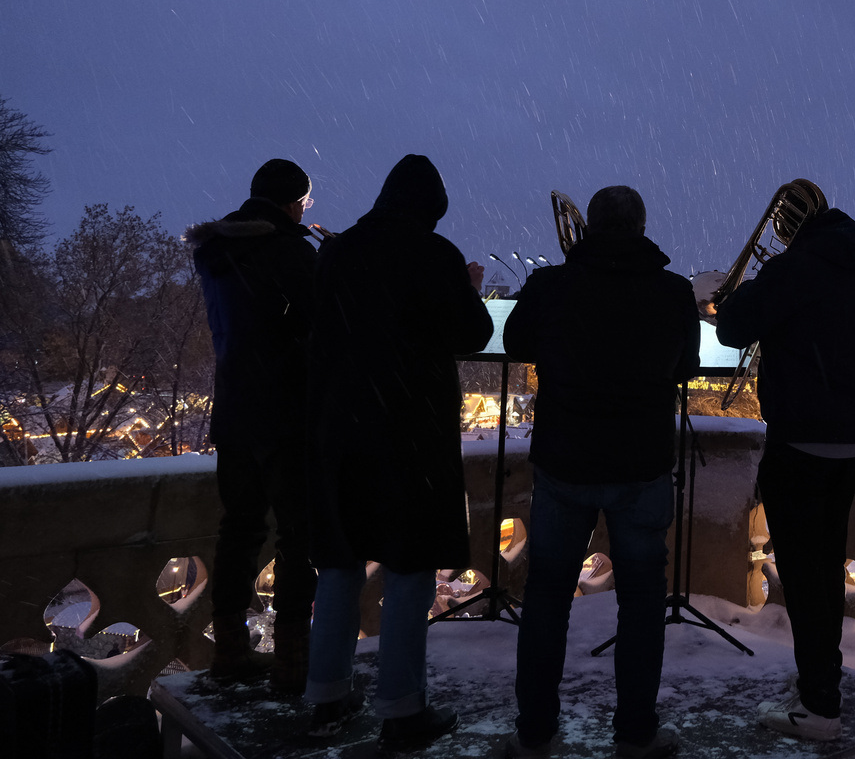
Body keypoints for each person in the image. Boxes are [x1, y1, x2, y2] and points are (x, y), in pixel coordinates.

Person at [501, 186, 698, 759]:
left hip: (565, 461)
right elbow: (685, 367)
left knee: (547, 597)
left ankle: (535, 733)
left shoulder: (551, 285)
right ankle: (636, 733)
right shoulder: (672, 292)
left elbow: (516, 342)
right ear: (641, 227)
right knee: (641, 602)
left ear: (589, 226)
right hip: (642, 465)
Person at [303, 155, 493, 749]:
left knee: (338, 564)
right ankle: (402, 708)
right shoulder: (432, 255)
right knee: (410, 568)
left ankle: (326, 696)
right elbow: (472, 335)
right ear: (432, 209)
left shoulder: (335, 252)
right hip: (409, 434)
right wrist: (467, 290)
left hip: (340, 434)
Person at [714, 204, 855, 742]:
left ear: (792, 232)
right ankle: (820, 686)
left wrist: (734, 294)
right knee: (824, 570)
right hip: (852, 441)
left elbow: (731, 328)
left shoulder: (792, 270)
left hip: (800, 441)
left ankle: (819, 704)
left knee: (804, 575)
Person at [185, 158, 319, 693]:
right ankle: (292, 659)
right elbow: (313, 322)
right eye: (305, 203)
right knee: (298, 536)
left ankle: (230, 651)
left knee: (238, 531)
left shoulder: (216, 251)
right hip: (286, 411)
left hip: (236, 408)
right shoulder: (289, 251)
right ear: (293, 202)